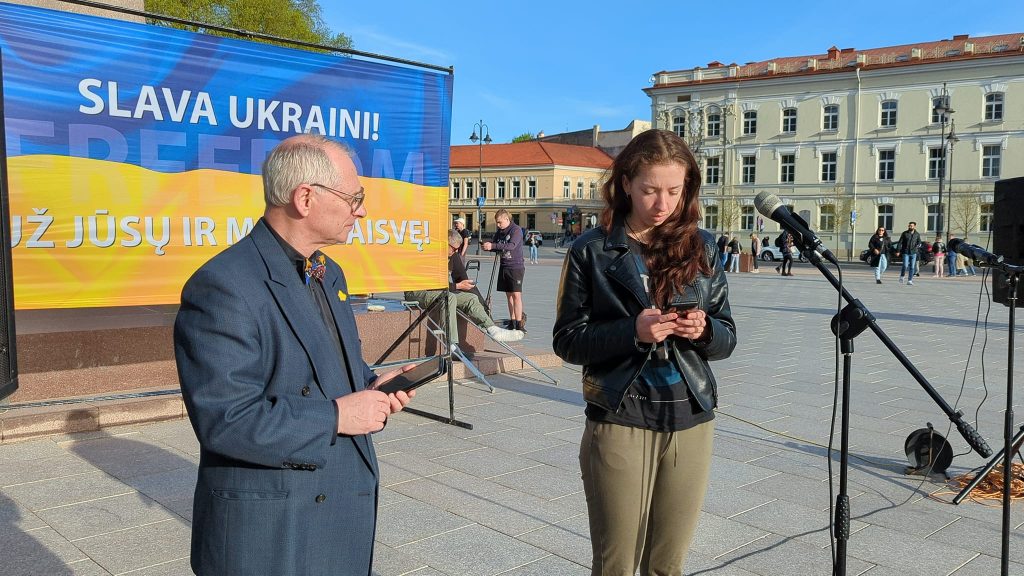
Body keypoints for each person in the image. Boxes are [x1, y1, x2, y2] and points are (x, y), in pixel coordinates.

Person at [173, 135, 416, 576]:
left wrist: (371, 387)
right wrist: (337, 418)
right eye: (353, 197)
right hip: (271, 531)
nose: (361, 210)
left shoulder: (327, 272)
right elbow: (225, 421)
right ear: (305, 198)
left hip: (335, 509)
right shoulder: (223, 285)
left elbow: (327, 366)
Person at [553, 129, 736, 576]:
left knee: (668, 565)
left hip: (690, 417)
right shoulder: (591, 250)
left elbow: (728, 335)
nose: (662, 203)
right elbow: (568, 340)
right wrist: (632, 331)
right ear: (627, 183)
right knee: (616, 564)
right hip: (620, 417)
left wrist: (705, 328)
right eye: (651, 190)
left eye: (675, 191)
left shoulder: (703, 246)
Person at [406, 229, 523, 343]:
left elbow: (463, 279)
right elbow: (433, 284)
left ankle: (493, 330)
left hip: (439, 292)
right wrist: (457, 286)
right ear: (445, 244)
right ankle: (451, 345)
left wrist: (485, 308)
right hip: (417, 291)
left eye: (458, 249)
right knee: (449, 297)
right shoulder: (430, 254)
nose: (456, 252)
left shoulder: (453, 255)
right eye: (454, 248)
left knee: (471, 299)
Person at [483, 208, 526, 332]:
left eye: (500, 222)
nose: (498, 225)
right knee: (508, 295)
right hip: (504, 265)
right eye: (497, 222)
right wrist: (488, 246)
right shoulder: (499, 231)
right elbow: (496, 244)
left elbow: (511, 246)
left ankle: (519, 324)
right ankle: (512, 321)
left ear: (507, 219)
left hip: (515, 266)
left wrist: (493, 246)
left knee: (516, 295)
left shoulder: (516, 230)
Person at [896, 221, 921, 285]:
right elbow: (900, 242)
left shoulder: (917, 234)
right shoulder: (905, 233)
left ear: (914, 226)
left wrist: (918, 245)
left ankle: (910, 280)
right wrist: (898, 251)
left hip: (914, 252)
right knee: (905, 265)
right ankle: (902, 276)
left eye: (911, 226)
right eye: (909, 226)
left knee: (912, 267)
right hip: (905, 252)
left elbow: (919, 242)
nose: (910, 227)